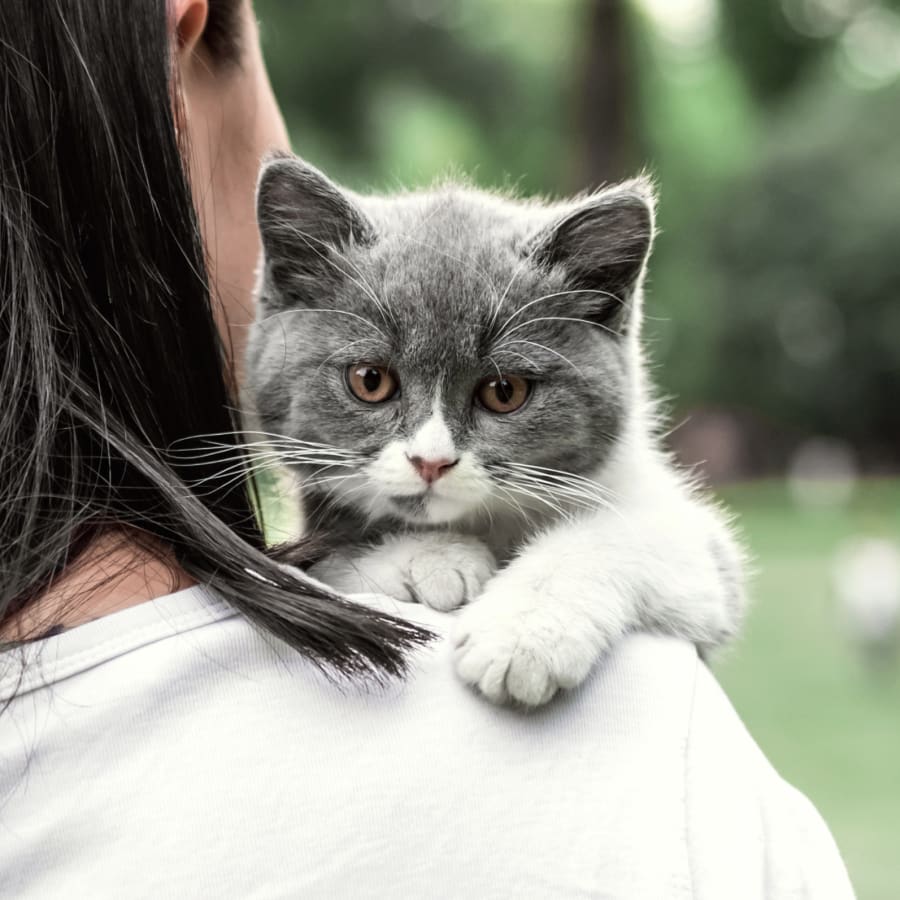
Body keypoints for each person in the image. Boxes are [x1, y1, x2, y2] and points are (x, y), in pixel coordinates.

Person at [0, 2, 855, 897]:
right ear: (186, 34)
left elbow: (698, 567)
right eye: (372, 384)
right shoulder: (665, 767)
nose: (432, 452)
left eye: (502, 391)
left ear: (610, 311)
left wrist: (575, 585)